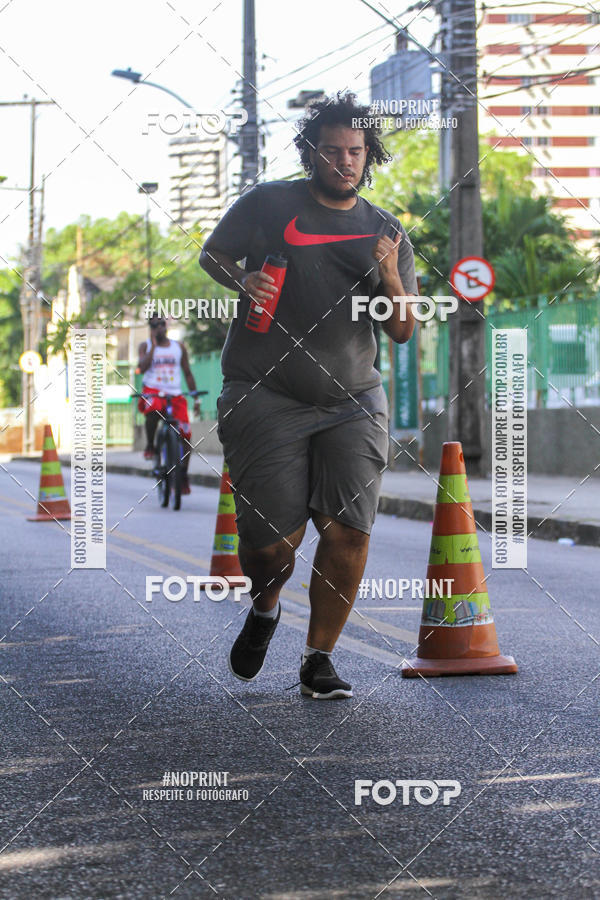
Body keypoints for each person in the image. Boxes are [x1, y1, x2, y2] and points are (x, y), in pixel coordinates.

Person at [199, 91, 417, 699]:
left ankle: (319, 658)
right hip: (265, 393)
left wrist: (392, 275)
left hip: (352, 399)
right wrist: (242, 277)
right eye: (332, 151)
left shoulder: (385, 230)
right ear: (311, 153)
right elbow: (211, 253)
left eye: (355, 152)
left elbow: (401, 330)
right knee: (271, 546)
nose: (345, 162)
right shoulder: (268, 204)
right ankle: (266, 603)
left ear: (368, 155)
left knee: (347, 531)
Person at [137, 314, 201, 495]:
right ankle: (150, 445)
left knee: (186, 433)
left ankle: (183, 475)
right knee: (153, 407)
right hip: (153, 391)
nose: (158, 328)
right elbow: (141, 367)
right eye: (154, 325)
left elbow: (187, 373)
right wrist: (154, 346)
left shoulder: (178, 347)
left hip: (175, 394)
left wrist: (196, 399)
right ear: (150, 328)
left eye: (161, 324)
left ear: (167, 325)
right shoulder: (146, 346)